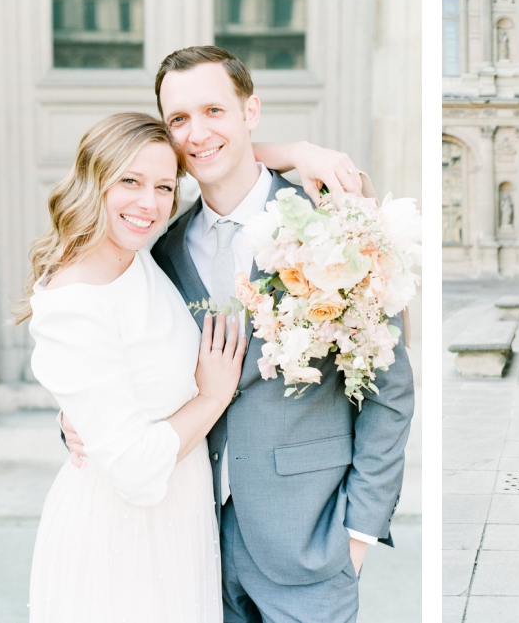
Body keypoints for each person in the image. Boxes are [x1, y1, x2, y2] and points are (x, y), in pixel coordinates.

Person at [65, 46, 414, 622]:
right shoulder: (159, 249)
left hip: (309, 547)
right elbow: (116, 358)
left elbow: (390, 389)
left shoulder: (336, 226)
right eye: (178, 120)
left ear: (251, 112)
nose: (197, 133)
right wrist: (74, 417)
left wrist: (358, 534)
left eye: (214, 111)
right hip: (189, 543)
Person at [18, 112, 246, 622]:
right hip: (119, 539)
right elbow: (136, 469)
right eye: (130, 181)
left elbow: (222, 161)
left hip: (180, 521)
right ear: (94, 180)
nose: (150, 203)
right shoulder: (75, 301)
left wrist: (300, 153)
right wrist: (212, 397)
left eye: (164, 186)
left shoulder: (137, 252)